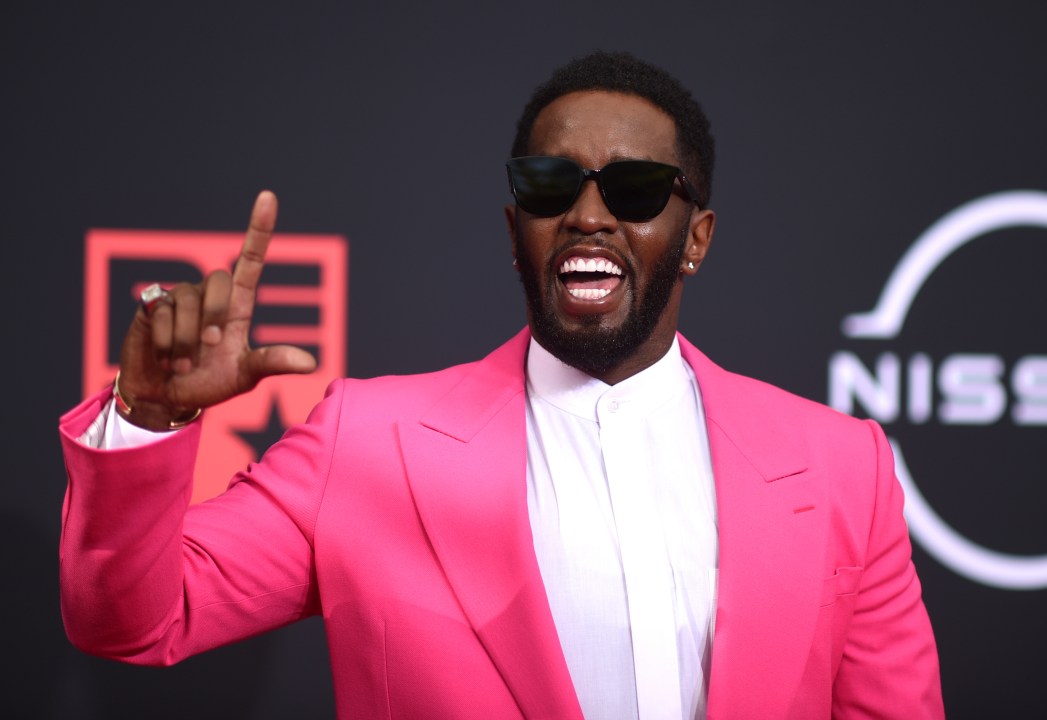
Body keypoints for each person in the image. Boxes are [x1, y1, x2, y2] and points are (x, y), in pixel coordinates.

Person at [59, 52, 944, 719]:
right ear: (513, 223)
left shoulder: (839, 468)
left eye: (635, 189)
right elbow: (135, 622)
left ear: (696, 238)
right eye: (550, 183)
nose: (587, 214)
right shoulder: (367, 442)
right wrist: (148, 414)